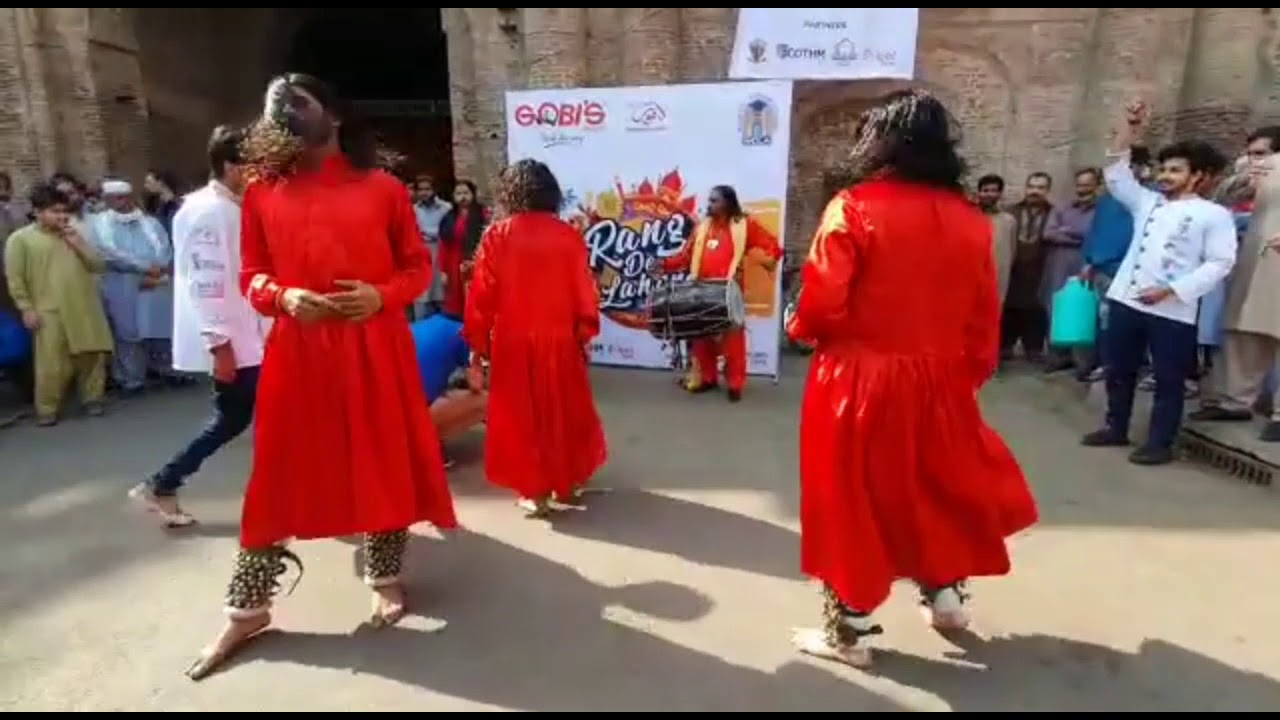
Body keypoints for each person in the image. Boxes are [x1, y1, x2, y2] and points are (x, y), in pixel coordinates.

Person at [185, 73, 458, 680]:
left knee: (380, 457)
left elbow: (417, 269)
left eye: (298, 100)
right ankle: (248, 607)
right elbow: (252, 276)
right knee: (277, 473)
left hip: (375, 346)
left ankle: (384, 572)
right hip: (299, 352)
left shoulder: (382, 188)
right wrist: (282, 296)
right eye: (274, 103)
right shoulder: (262, 192)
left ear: (333, 116)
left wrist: (381, 295)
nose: (283, 108)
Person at [785, 89, 1038, 668]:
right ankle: (945, 595)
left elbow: (820, 305)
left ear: (879, 143)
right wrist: (964, 376)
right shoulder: (972, 221)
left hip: (859, 378)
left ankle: (848, 630)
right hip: (941, 378)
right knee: (934, 487)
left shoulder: (854, 207)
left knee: (853, 497)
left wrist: (800, 327)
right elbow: (984, 315)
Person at [1081, 101, 1237, 465]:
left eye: (1175, 170)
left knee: (1168, 379)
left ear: (1197, 176)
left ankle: (1160, 442)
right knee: (1119, 370)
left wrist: (1171, 290)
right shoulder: (1147, 202)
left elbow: (1221, 263)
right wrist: (1130, 127)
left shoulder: (1214, 215)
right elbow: (1115, 171)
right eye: (1163, 169)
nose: (1165, 176)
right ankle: (1115, 427)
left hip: (1173, 310)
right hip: (1126, 299)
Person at [131, 125, 268, 527]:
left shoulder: (234, 206)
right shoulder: (206, 212)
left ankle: (163, 483)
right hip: (235, 341)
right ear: (232, 166)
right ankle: (163, 483)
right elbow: (204, 282)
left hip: (253, 335)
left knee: (234, 420)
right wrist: (219, 344)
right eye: (256, 166)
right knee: (249, 419)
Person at [463, 158, 608, 517]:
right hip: (560, 340)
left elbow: (482, 296)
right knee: (564, 413)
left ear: (511, 192)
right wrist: (582, 334)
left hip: (512, 342)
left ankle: (535, 492)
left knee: (522, 420)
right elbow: (583, 292)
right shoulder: (568, 235)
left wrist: (478, 345)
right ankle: (566, 482)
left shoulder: (498, 235)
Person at [3, 182, 114, 426]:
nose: (62, 216)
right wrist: (26, 308)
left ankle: (93, 398)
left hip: (84, 305)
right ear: (37, 212)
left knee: (92, 355)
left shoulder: (74, 234)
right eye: (55, 211)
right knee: (51, 363)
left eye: (64, 211)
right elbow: (15, 278)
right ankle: (47, 408)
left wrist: (78, 244)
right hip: (48, 309)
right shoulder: (20, 240)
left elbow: (98, 266)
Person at [659, 184, 781, 401]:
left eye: (714, 201)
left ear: (727, 202)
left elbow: (771, 244)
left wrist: (768, 258)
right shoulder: (702, 227)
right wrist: (664, 265)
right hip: (702, 291)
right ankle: (708, 378)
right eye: (710, 200)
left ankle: (735, 384)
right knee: (703, 338)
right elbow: (685, 257)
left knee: (733, 341)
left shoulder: (745, 224)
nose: (709, 205)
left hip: (729, 293)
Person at [90, 179, 175, 392]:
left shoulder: (150, 222)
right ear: (107, 200)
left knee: (159, 327)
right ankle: (131, 378)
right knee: (127, 332)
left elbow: (165, 248)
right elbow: (107, 252)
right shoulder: (99, 224)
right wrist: (143, 269)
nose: (123, 202)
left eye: (126, 197)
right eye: (117, 198)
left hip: (155, 281)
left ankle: (165, 370)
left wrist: (158, 270)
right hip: (122, 283)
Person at [410, 312, 485, 453]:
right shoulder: (466, 336)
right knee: (485, 400)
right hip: (408, 420)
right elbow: (477, 385)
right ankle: (425, 447)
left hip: (383, 415)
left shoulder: (430, 324)